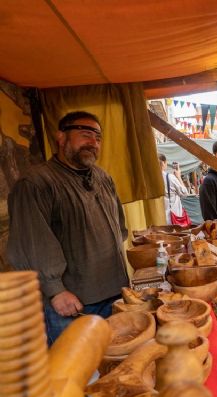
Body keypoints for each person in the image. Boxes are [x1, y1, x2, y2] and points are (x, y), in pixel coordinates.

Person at [7, 111, 129, 345]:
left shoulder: (103, 177)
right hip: (73, 303)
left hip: (114, 293)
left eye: (98, 138)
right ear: (60, 137)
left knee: (117, 366)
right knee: (79, 375)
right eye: (85, 134)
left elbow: (119, 228)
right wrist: (55, 290)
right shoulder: (37, 183)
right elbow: (32, 243)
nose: (93, 142)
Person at [158, 154, 189, 224]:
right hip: (171, 218)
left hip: (158, 218)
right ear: (163, 163)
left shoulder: (149, 179)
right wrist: (178, 177)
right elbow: (185, 194)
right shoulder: (170, 177)